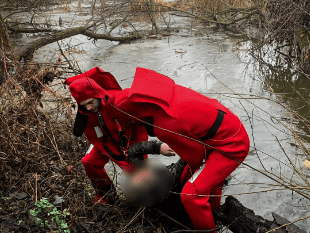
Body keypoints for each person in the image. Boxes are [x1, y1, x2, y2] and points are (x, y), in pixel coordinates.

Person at [121, 67, 250, 232]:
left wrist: (159, 148)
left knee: (191, 195)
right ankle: (214, 214)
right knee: (201, 189)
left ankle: (212, 221)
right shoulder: (151, 195)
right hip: (221, 138)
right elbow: (133, 152)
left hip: (229, 143)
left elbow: (195, 156)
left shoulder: (166, 127)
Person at [64, 67, 175, 205]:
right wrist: (115, 154)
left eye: (90, 103)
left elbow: (143, 121)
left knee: (138, 174)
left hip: (132, 140)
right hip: (107, 142)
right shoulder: (86, 114)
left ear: (98, 94)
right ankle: (106, 195)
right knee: (89, 162)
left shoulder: (120, 102)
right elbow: (95, 136)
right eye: (83, 105)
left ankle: (155, 198)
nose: (88, 108)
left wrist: (143, 148)